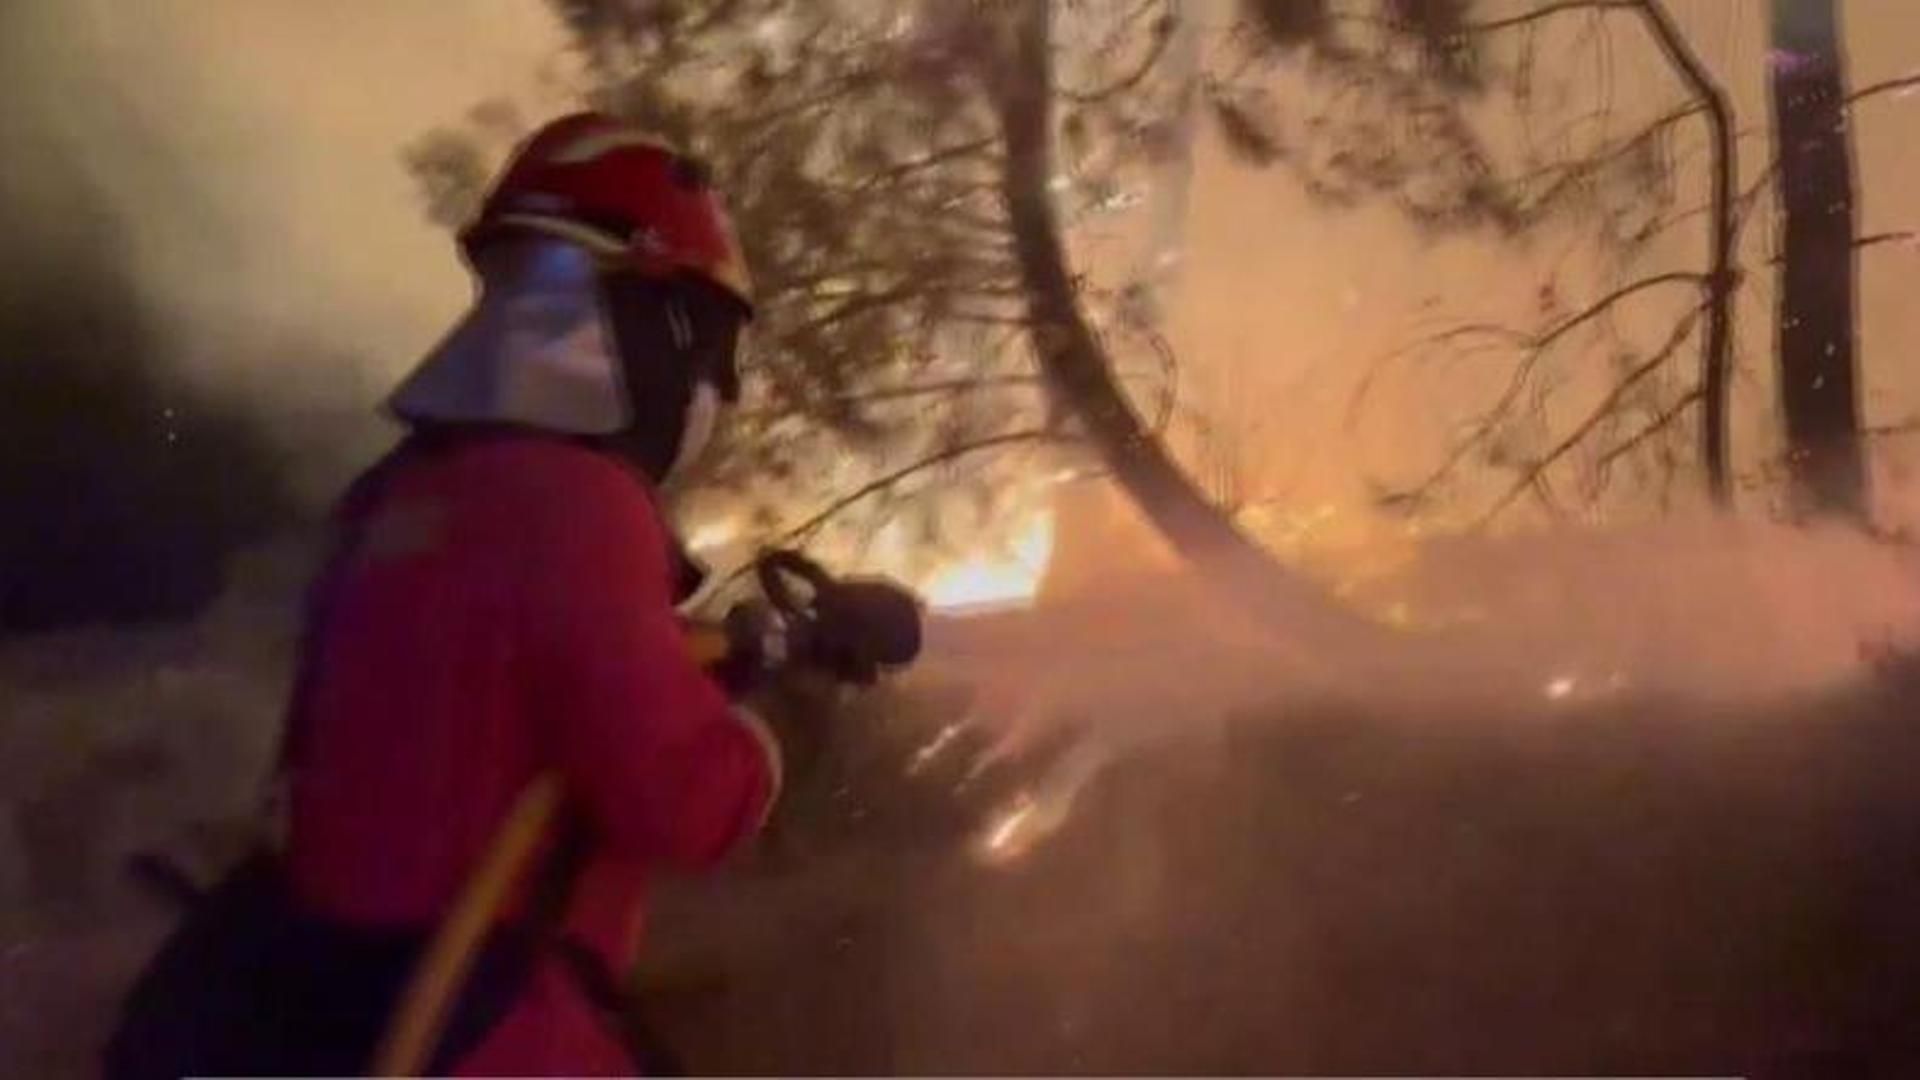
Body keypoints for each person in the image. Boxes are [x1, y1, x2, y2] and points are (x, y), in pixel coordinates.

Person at [107, 112, 783, 1078]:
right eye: (708, 341)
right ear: (648, 318)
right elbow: (678, 799)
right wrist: (757, 744)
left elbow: (494, 682)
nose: (717, 385)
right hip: (489, 1039)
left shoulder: (397, 496)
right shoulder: (580, 504)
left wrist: (687, 649)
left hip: (329, 1009)